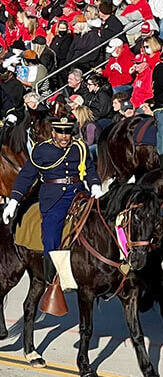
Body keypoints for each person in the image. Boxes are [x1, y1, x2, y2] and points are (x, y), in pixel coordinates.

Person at [2, 117, 102, 309]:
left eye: (67, 132)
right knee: (51, 234)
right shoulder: (42, 150)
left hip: (78, 194)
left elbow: (88, 169)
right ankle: (53, 278)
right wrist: (14, 200)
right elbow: (26, 175)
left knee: (99, 224)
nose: (64, 137)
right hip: (54, 198)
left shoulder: (79, 148)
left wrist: (95, 184)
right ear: (53, 132)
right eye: (60, 132)